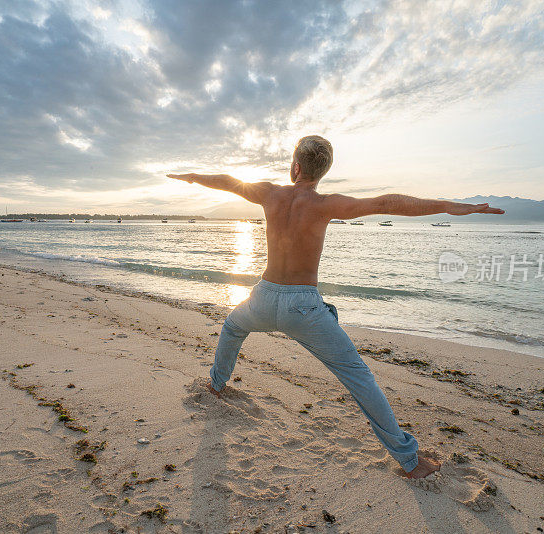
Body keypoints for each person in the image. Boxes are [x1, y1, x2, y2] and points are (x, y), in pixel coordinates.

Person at [167, 135, 504, 479]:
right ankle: (409, 460)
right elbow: (388, 201)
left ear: (295, 166)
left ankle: (216, 385)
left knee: (233, 326)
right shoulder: (327, 204)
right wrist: (450, 206)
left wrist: (191, 177)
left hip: (264, 299)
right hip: (304, 308)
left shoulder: (270, 193)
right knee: (357, 376)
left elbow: (226, 181)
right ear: (321, 171)